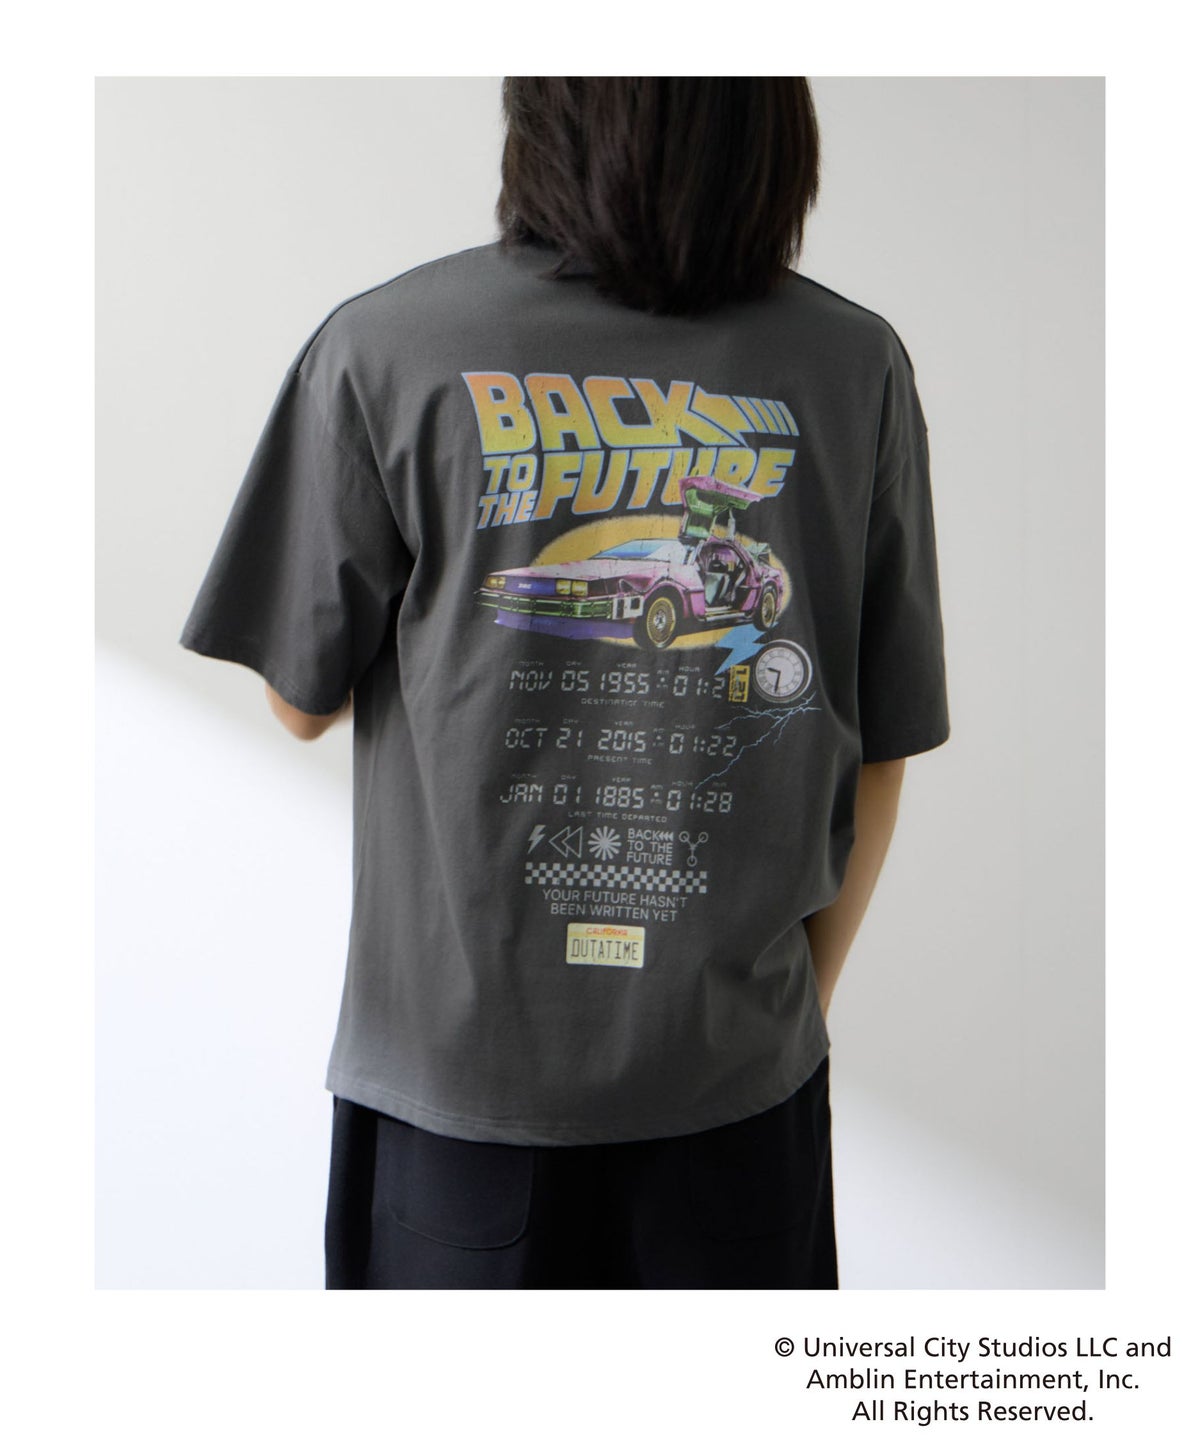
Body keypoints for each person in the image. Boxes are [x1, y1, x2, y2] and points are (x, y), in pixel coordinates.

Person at [180, 77, 950, 1289]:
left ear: (546, 118)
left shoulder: (387, 347)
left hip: (454, 1086)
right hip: (736, 1086)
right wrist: (785, 1009)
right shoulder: (854, 366)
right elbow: (883, 741)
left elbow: (298, 702)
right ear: (769, 127)